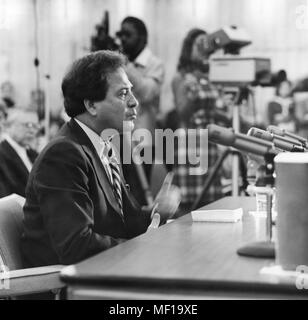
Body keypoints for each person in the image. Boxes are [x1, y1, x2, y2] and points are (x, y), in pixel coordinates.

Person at [21, 51, 180, 269]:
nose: (135, 102)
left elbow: (125, 221)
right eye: (123, 94)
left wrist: (156, 212)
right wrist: (144, 250)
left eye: (132, 92)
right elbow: (77, 246)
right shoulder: (63, 155)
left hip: (106, 272)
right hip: (70, 287)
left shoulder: (103, 144)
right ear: (91, 105)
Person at [170, 28, 223, 215]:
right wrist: (192, 90)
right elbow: (182, 114)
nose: (203, 48)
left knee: (213, 201)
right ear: (189, 48)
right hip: (190, 142)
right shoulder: (181, 78)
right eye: (198, 43)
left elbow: (218, 111)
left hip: (211, 141)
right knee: (188, 204)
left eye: (205, 43)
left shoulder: (213, 76)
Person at [117, 16, 164, 205]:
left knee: (137, 194)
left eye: (128, 35)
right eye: (121, 34)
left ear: (143, 37)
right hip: (116, 135)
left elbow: (146, 92)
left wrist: (124, 66)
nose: (123, 39)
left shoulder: (155, 64)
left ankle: (139, 232)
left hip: (142, 138)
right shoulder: (116, 63)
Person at [0, 108, 39, 198]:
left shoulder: (34, 154)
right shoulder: (2, 154)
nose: (32, 131)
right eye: (27, 125)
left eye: (35, 126)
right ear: (9, 126)